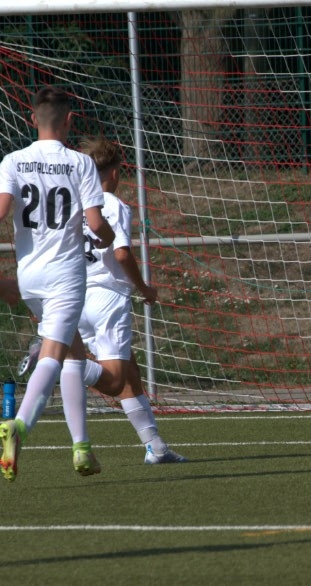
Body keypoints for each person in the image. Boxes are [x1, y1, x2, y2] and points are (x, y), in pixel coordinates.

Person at [0, 86, 117, 481]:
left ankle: (82, 447)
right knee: (53, 352)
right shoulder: (80, 163)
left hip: (29, 275)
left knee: (72, 354)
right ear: (70, 120)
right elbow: (97, 224)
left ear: (33, 119)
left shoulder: (13, 160)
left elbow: (0, 213)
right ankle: (19, 425)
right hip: (66, 274)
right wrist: (107, 239)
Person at [61, 135, 186, 465]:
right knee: (114, 380)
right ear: (114, 172)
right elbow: (121, 252)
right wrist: (145, 289)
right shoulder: (111, 205)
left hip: (78, 296)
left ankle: (155, 446)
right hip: (107, 298)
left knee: (129, 373)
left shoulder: (74, 207)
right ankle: (58, 361)